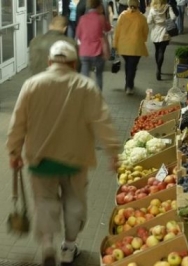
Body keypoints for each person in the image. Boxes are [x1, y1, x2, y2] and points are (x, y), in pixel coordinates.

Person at [6, 40, 120, 266]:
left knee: (45, 203)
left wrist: (14, 151)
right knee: (75, 203)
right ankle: (68, 249)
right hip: (75, 160)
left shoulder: (31, 84)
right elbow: (102, 122)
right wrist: (113, 152)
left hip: (40, 160)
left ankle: (47, 246)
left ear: (49, 62)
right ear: (74, 63)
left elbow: (18, 122)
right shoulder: (86, 86)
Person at [114, 0, 149, 95]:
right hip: (136, 46)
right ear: (138, 5)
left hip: (123, 45)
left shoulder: (122, 15)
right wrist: (143, 39)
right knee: (132, 66)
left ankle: (128, 83)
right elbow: (145, 32)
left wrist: (115, 45)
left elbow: (117, 31)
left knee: (128, 65)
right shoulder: (141, 18)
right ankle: (129, 86)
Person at [76, 0, 112, 90]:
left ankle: (84, 95)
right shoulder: (101, 18)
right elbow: (108, 28)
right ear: (99, 6)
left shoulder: (82, 18)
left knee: (84, 76)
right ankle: (98, 96)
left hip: (84, 51)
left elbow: (78, 35)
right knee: (98, 75)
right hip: (98, 51)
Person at [147, 0, 176, 80]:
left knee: (156, 50)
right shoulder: (167, 7)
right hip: (165, 32)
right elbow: (173, 17)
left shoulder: (153, 8)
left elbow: (149, 21)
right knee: (161, 51)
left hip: (155, 31)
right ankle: (159, 68)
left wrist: (155, 20)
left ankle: (158, 68)